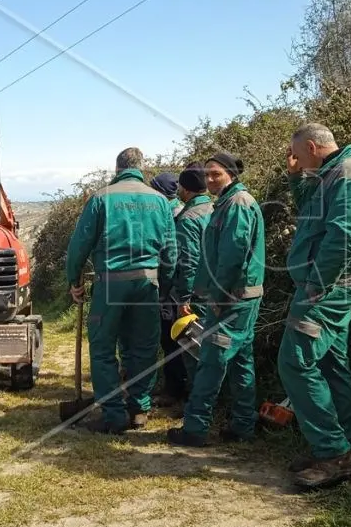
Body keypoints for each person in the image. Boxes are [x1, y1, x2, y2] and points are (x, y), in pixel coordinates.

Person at [65, 148, 177, 434]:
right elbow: (171, 252)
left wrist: (73, 280)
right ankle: (139, 409)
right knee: (143, 347)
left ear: (117, 169)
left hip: (111, 283)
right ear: (142, 168)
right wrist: (163, 284)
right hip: (147, 283)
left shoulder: (101, 198)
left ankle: (113, 415)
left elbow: (80, 245)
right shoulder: (161, 202)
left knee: (103, 348)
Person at [280, 123, 351, 489]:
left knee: (294, 360)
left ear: (313, 147)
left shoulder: (348, 174)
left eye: (298, 155)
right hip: (331, 285)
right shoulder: (330, 174)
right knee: (331, 362)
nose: (296, 160)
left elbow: (347, 234)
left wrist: (316, 285)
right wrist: (296, 178)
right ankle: (349, 445)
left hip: (329, 287)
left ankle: (333, 453)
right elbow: (311, 216)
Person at [169, 152, 265, 447]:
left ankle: (196, 428)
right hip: (242, 297)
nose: (210, 180)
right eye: (207, 174)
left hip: (231, 298)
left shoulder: (236, 204)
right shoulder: (226, 202)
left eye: (216, 174)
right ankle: (243, 425)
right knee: (240, 362)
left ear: (232, 175)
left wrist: (218, 295)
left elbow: (232, 255)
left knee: (211, 360)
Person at [153, 164, 213, 414]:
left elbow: (186, 261)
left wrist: (181, 296)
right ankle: (198, 398)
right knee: (206, 346)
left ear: (185, 190)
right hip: (213, 289)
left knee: (182, 342)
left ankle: (188, 400)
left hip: (190, 293)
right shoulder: (215, 209)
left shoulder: (188, 219)